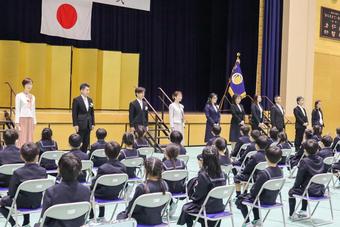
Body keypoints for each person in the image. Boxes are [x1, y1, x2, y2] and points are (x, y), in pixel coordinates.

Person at [0, 143, 47, 227]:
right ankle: (26, 222)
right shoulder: (43, 171)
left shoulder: (18, 173)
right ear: (37, 156)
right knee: (27, 193)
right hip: (37, 202)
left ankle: (14, 223)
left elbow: (11, 194)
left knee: (2, 201)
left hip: (20, 203)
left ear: (21, 156)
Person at [178, 146, 226, 227]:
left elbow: (198, 196)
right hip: (219, 206)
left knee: (185, 208)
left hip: (206, 208)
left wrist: (192, 195)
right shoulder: (223, 174)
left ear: (204, 159)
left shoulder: (203, 175)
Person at [236, 146, 283, 227]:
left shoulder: (264, 173)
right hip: (273, 199)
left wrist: (248, 194)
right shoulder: (281, 172)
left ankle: (247, 223)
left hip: (262, 200)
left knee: (240, 199)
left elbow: (254, 192)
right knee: (255, 197)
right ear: (280, 159)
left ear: (266, 157)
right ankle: (257, 219)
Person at [40, 153, 91, 227]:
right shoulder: (86, 191)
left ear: (59, 170)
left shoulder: (51, 192)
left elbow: (45, 218)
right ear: (80, 170)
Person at [117, 157, 169, 225]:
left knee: (120, 216)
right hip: (157, 219)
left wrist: (126, 212)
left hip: (140, 221)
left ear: (145, 170)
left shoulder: (142, 187)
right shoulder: (164, 185)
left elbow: (132, 209)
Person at [288, 139, 325, 220]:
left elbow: (299, 179)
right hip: (321, 190)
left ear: (305, 150)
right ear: (317, 150)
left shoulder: (304, 161)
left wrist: (295, 187)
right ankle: (303, 210)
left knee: (291, 192)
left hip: (309, 191)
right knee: (306, 186)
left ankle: (292, 214)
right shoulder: (321, 159)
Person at [90, 141, 127, 220]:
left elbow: (95, 185)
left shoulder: (103, 168)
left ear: (105, 153)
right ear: (119, 153)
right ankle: (101, 215)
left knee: (89, 190)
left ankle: (92, 215)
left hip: (102, 195)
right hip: (116, 194)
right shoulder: (123, 167)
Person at [162, 144, 186, 216]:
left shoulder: (163, 164)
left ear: (167, 153)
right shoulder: (182, 163)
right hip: (180, 190)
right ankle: (171, 203)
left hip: (167, 191)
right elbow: (184, 178)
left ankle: (168, 204)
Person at [72, 83, 95, 152]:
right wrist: (75, 124)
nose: (88, 92)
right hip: (80, 124)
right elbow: (74, 113)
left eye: (89, 90)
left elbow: (92, 112)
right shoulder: (76, 100)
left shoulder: (90, 100)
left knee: (86, 142)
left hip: (88, 124)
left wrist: (93, 123)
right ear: (82, 90)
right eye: (87, 90)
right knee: (80, 141)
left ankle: (84, 154)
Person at [15, 78, 36, 147]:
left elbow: (33, 110)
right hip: (22, 119)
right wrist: (17, 122)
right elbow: (17, 109)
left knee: (30, 138)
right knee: (22, 137)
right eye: (28, 84)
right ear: (24, 85)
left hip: (30, 119)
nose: (29, 86)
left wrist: (34, 122)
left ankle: (29, 155)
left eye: (31, 84)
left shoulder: (33, 97)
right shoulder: (19, 96)